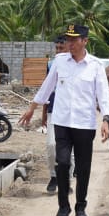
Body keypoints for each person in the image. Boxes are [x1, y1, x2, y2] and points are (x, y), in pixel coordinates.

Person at [19, 24, 109, 216]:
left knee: (84, 167)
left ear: (84, 41)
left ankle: (80, 207)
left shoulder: (95, 65)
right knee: (62, 164)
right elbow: (46, 87)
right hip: (61, 122)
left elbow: (103, 95)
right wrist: (32, 108)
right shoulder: (60, 62)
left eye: (74, 40)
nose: (69, 43)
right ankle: (63, 207)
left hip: (84, 124)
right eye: (68, 39)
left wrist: (105, 119)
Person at [40, 34, 73, 192]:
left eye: (62, 48)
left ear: (69, 47)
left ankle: (67, 179)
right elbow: (46, 90)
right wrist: (43, 113)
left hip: (71, 112)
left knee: (69, 149)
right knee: (51, 145)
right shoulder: (51, 64)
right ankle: (54, 176)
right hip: (54, 109)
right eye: (57, 48)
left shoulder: (76, 65)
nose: (59, 51)